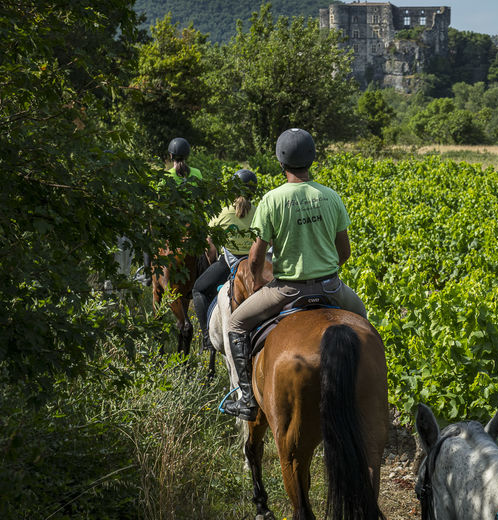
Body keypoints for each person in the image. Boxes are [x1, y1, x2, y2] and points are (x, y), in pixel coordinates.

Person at [221, 128, 367, 421]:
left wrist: (259, 281)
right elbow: (345, 252)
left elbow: (256, 257)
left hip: (286, 290)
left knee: (236, 324)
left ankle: (248, 400)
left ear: (281, 162)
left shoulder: (272, 200)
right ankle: (366, 392)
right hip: (330, 287)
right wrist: (326, 271)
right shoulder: (331, 197)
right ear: (311, 159)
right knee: (363, 321)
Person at [191, 169, 258, 351]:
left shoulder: (222, 212)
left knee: (198, 290)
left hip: (228, 265)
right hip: (253, 267)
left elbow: (210, 246)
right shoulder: (259, 211)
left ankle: (207, 338)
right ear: (253, 192)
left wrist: (211, 262)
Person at [137, 137, 204, 286]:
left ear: (170, 155)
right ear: (187, 155)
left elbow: (160, 204)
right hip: (193, 224)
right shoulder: (197, 173)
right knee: (211, 248)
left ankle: (147, 275)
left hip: (172, 224)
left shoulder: (166, 176)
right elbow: (201, 201)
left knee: (146, 234)